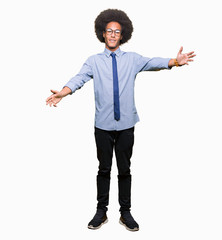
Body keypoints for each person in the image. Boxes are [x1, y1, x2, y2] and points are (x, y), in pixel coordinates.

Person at [46, 9, 195, 231]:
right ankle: (101, 211)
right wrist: (63, 93)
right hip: (103, 126)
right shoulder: (93, 61)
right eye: (109, 31)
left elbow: (154, 62)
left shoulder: (133, 59)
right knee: (103, 169)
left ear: (122, 34)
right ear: (103, 34)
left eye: (117, 31)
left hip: (126, 125)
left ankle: (125, 213)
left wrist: (174, 61)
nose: (113, 34)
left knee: (125, 170)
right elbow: (78, 79)